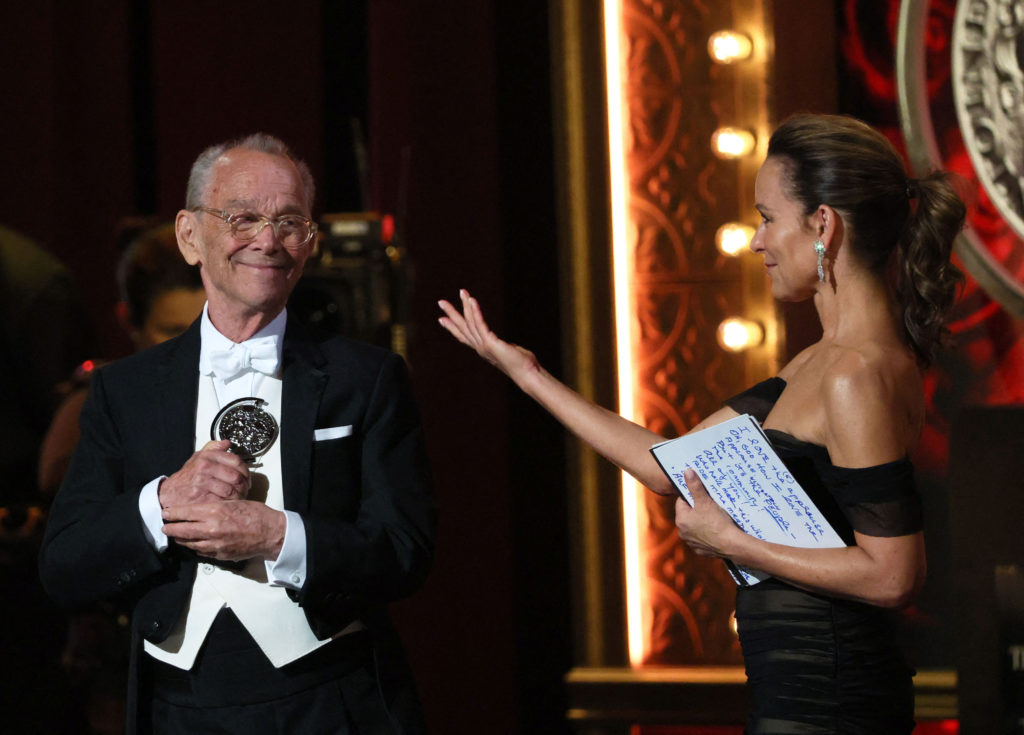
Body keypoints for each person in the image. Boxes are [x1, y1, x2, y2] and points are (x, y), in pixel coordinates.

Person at [438, 113, 966, 733]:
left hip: (831, 702)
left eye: (767, 218)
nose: (756, 241)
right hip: (797, 693)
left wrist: (732, 543)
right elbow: (670, 467)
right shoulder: (817, 364)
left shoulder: (855, 373)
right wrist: (527, 374)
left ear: (823, 224)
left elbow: (894, 575)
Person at [40, 133, 437, 735]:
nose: (268, 241)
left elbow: (404, 552)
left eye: (290, 222)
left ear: (310, 243)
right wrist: (161, 503)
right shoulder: (124, 390)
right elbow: (65, 566)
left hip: (327, 699)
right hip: (176, 707)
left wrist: (278, 535)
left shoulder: (367, 379)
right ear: (190, 235)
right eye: (243, 218)